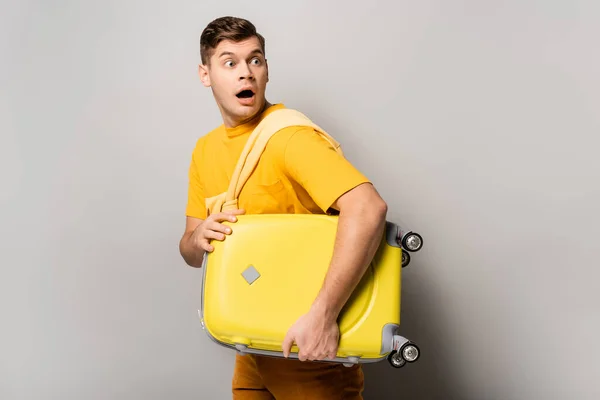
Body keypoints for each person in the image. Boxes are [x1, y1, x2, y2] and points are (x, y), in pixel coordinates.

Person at [179, 16, 388, 399]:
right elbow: (190, 251)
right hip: (250, 343)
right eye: (230, 63)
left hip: (308, 349)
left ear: (266, 69)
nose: (246, 74)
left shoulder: (289, 137)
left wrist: (323, 316)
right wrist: (199, 237)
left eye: (255, 60)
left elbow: (368, 208)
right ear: (205, 74)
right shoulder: (205, 150)